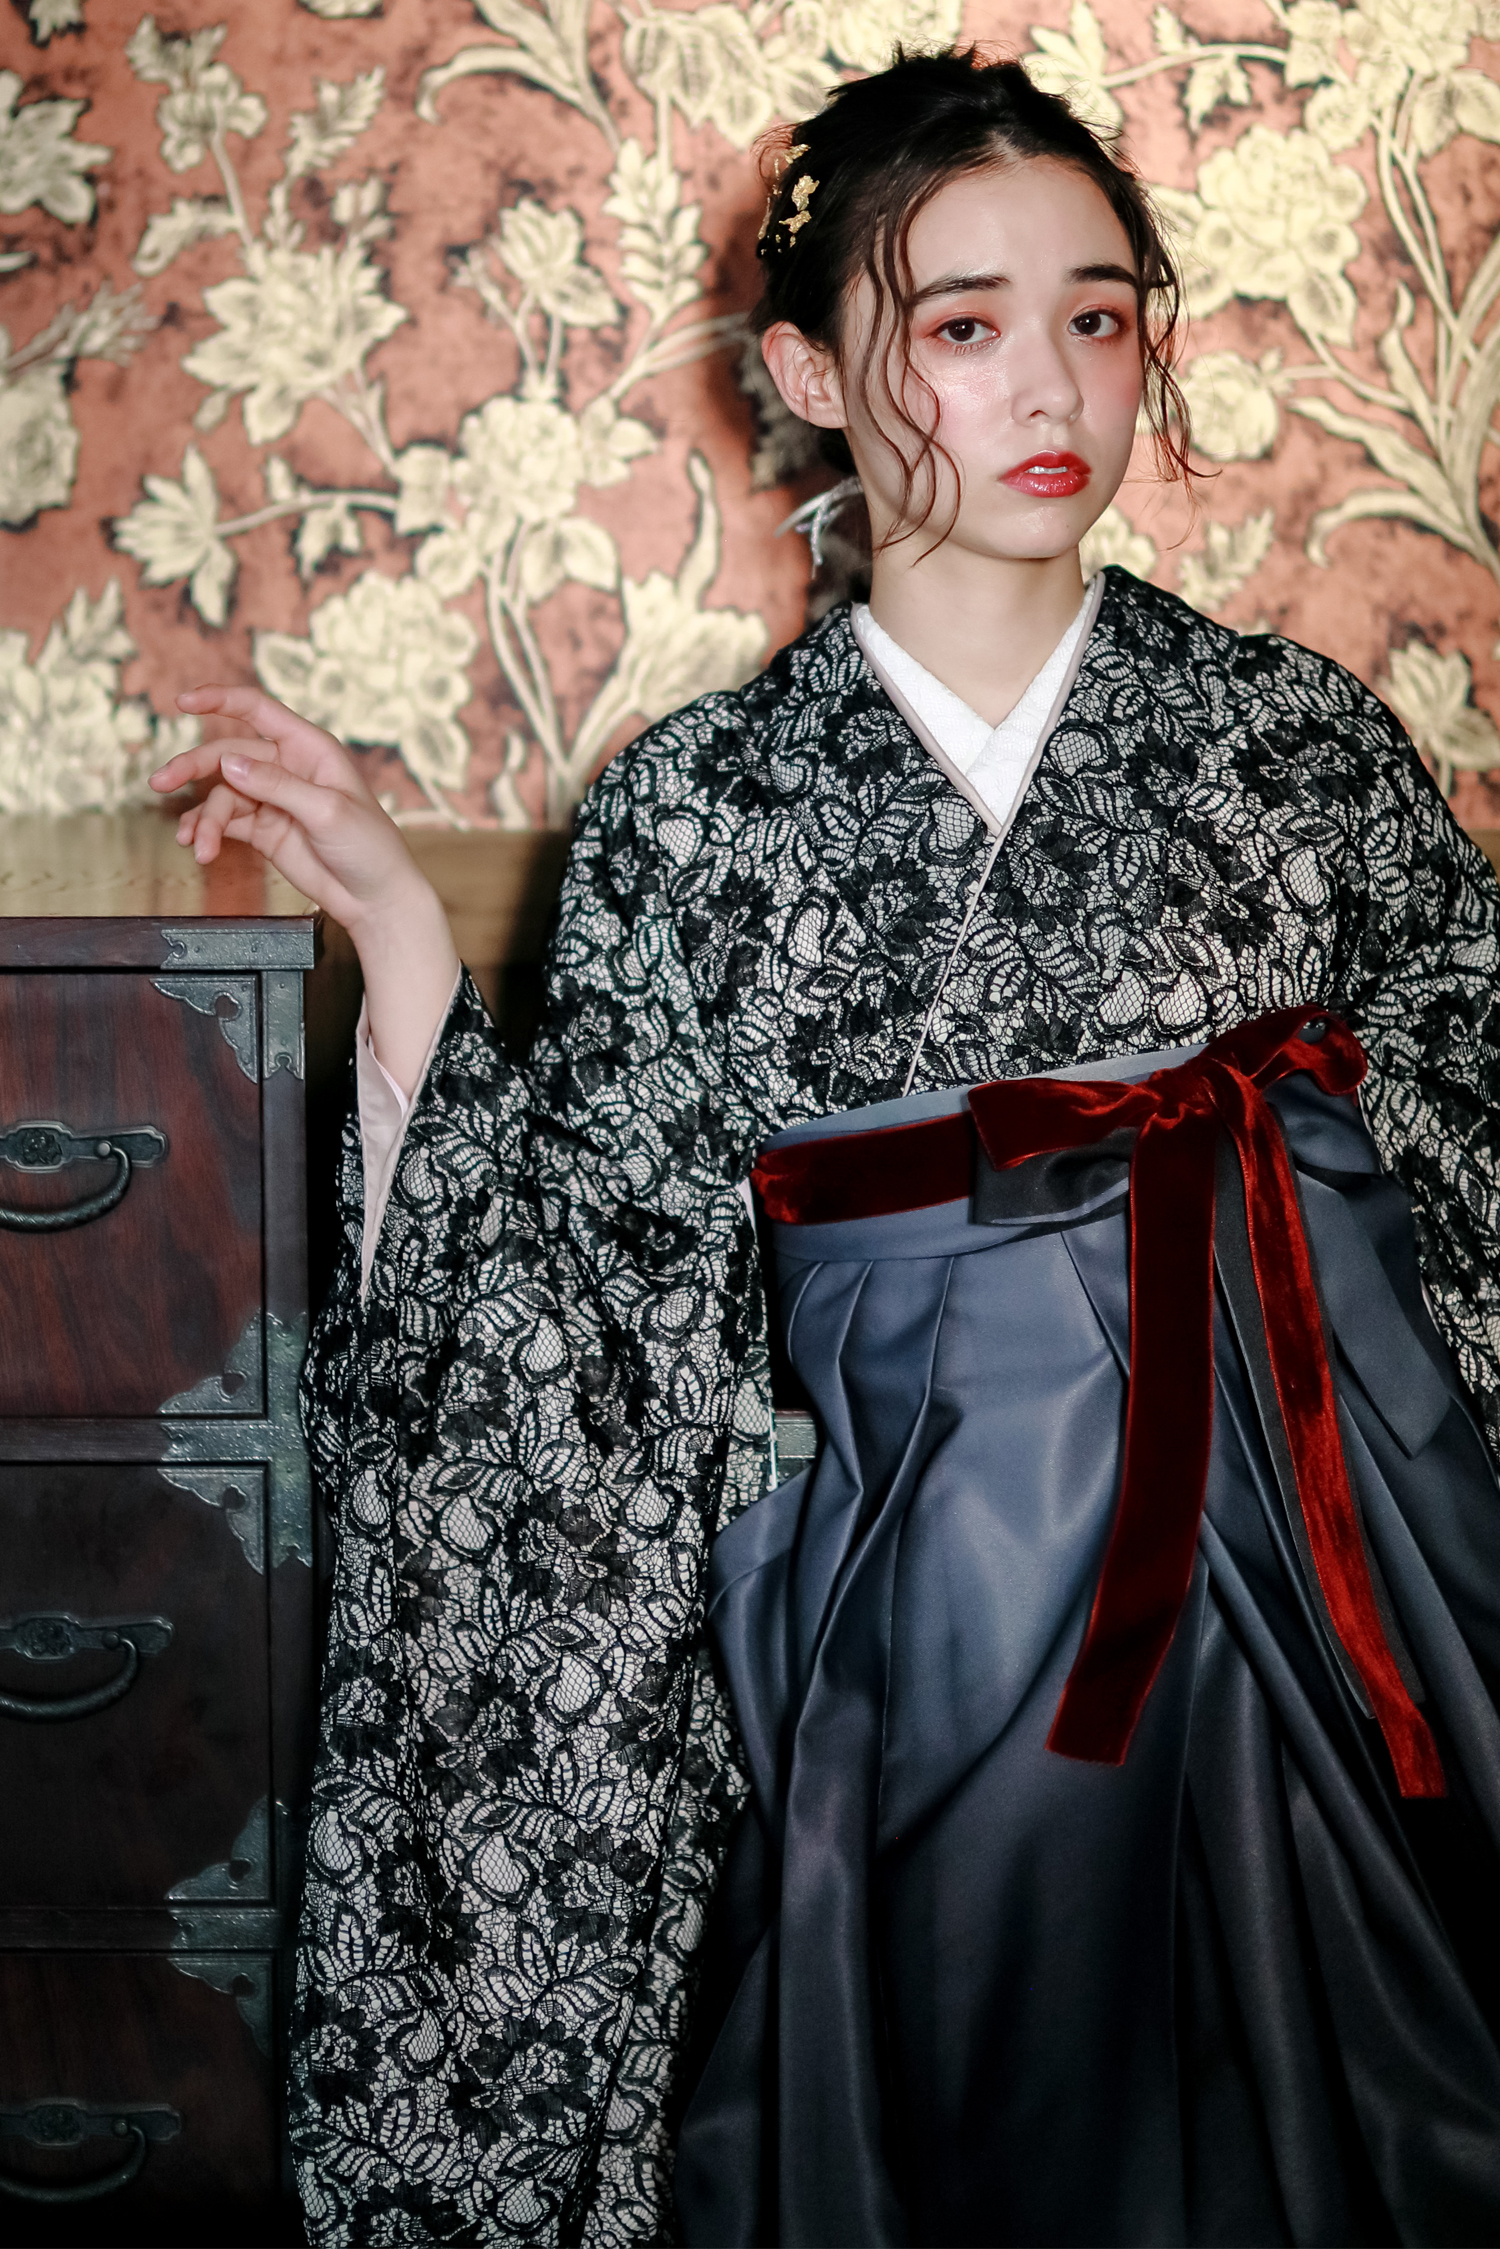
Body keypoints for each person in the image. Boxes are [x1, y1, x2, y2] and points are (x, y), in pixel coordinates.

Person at [150, 47, 1500, 2249]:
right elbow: (587, 1311)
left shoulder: (1300, 749)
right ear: (807, 373)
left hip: (1309, 1606)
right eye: (963, 323)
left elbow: (1469, 1120)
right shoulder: (697, 814)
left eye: (1098, 314)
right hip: (921, 1613)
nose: (1049, 381)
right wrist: (396, 923)